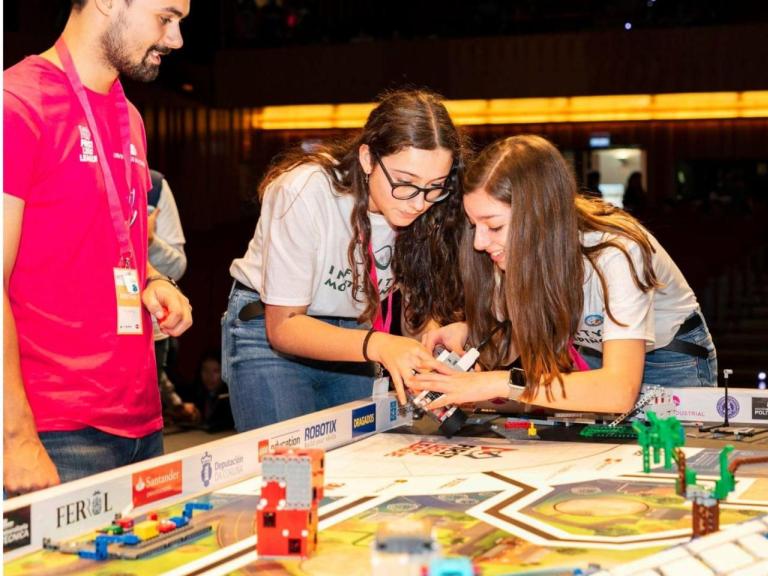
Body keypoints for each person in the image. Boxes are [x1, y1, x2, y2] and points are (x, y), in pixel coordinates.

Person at [4, 0, 193, 495]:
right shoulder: (16, 104)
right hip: (54, 431)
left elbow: (110, 240)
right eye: (166, 18)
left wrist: (154, 280)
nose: (175, 40)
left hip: (142, 422)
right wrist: (16, 438)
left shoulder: (129, 116)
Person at [410, 135, 717, 415]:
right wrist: (468, 332)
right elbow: (512, 332)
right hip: (598, 358)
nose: (479, 242)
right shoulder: (511, 251)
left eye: (494, 226)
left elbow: (618, 390)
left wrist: (496, 383)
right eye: (474, 225)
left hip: (669, 357)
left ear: (538, 217)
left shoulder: (617, 253)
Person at [224, 89, 466, 432]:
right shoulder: (304, 190)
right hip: (273, 331)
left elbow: (415, 310)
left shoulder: (429, 208)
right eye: (405, 182)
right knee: (289, 460)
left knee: (361, 451)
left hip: (356, 334)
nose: (418, 202)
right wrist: (381, 344)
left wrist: (431, 343)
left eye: (435, 186)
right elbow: (284, 327)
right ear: (367, 158)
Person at [147, 169, 199, 424]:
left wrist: (149, 241)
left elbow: (178, 266)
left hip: (148, 327)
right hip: (85, 324)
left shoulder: (154, 186)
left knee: (143, 421)